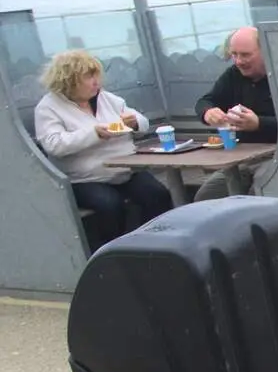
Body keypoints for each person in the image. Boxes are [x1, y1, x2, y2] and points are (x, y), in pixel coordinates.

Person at [32, 49, 173, 250]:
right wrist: (94, 134)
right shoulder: (48, 108)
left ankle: (157, 247)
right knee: (110, 205)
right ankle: (113, 256)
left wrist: (134, 123)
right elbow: (54, 145)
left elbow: (141, 122)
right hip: (85, 178)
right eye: (88, 76)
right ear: (69, 80)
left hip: (125, 170)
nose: (96, 81)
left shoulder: (107, 98)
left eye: (96, 74)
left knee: (157, 194)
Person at [194, 26, 276, 201]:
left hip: (277, 155)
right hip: (242, 157)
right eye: (234, 54)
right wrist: (208, 112)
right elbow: (205, 101)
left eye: (245, 55)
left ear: (266, 52)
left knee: (260, 194)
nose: (238, 61)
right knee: (206, 198)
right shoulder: (234, 75)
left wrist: (259, 124)